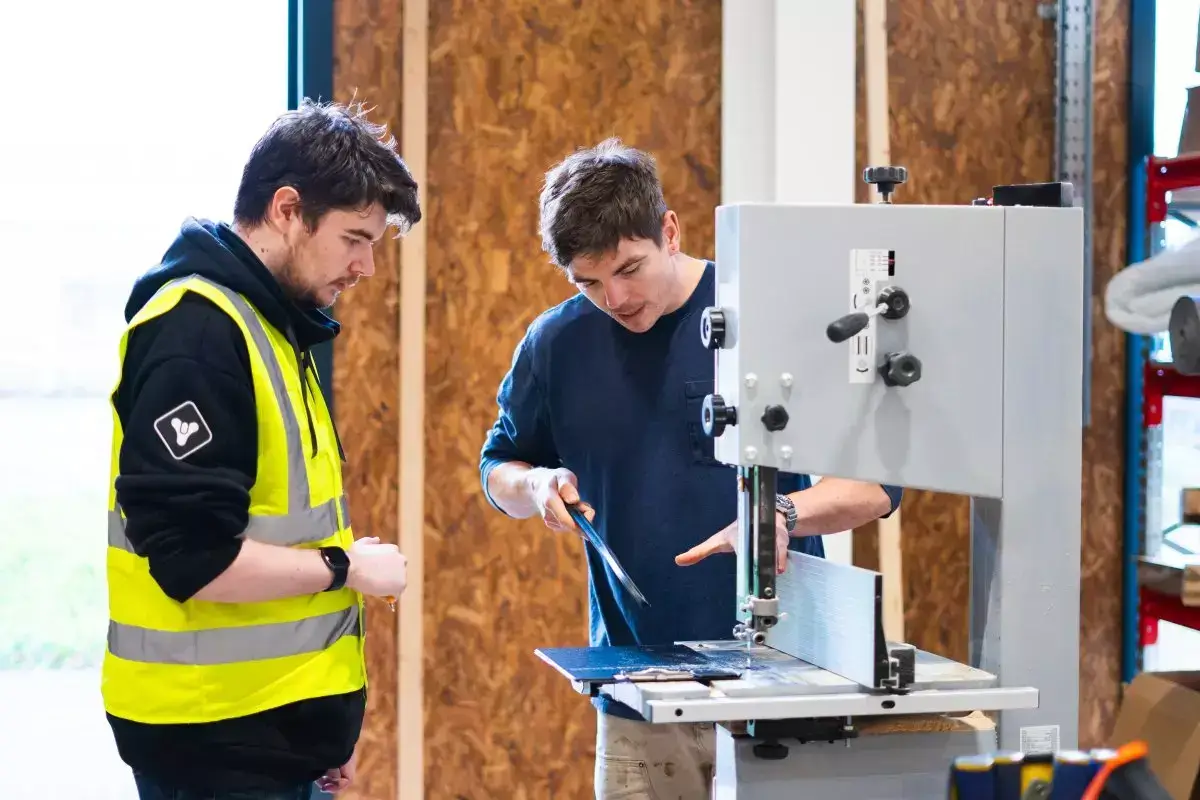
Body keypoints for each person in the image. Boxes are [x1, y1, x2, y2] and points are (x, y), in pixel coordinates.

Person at [478, 139, 903, 799]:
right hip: (641, 707)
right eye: (587, 282)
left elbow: (875, 486)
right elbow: (499, 466)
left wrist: (778, 515)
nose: (614, 297)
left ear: (669, 231)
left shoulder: (770, 316)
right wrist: (535, 486)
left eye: (629, 268)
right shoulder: (556, 345)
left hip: (783, 687)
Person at [103, 99, 420, 800]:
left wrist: (314, 736)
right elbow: (192, 559)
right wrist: (347, 568)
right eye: (354, 238)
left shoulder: (270, 324)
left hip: (264, 740)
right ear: (286, 210)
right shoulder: (199, 336)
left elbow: (270, 527)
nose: (367, 266)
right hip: (212, 738)